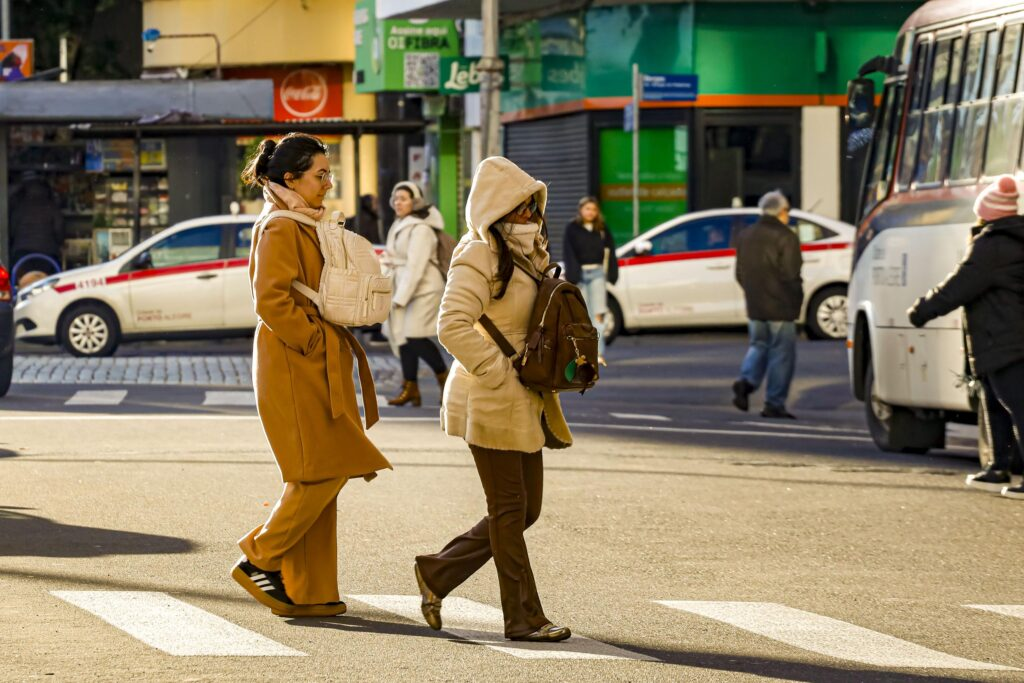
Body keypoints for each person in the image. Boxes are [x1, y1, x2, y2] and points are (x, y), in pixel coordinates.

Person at [413, 156, 574, 643]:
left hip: (523, 395)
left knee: (526, 511)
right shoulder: (478, 254)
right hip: (489, 395)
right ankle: (523, 617)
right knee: (509, 510)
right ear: (500, 209)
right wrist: (497, 371)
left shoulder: (530, 253)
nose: (533, 214)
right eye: (524, 206)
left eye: (535, 205)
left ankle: (438, 572)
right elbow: (451, 325)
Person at [232, 133, 392, 617]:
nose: (329, 182)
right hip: (293, 361)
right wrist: (315, 339)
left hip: (310, 358)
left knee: (315, 473)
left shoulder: (304, 222)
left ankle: (310, 591)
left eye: (328, 173)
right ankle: (259, 555)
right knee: (325, 468)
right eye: (320, 174)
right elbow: (270, 300)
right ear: (290, 179)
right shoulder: (281, 227)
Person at [908, 175, 1024, 500]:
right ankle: (998, 467)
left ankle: (1003, 467)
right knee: (996, 403)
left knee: (1016, 405)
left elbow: (958, 286)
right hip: (998, 338)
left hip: (1004, 338)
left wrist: (921, 310)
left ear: (988, 213)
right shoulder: (1008, 241)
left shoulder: (993, 246)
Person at [732, 190, 803, 419]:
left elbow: (739, 273)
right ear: (782, 211)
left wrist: (752, 292)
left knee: (758, 345)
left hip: (755, 302)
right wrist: (796, 301)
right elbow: (791, 273)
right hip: (781, 304)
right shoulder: (786, 236)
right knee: (781, 354)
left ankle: (746, 381)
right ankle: (774, 403)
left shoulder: (746, 235)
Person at [383, 181, 449, 407]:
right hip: (404, 285)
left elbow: (416, 266)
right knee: (402, 336)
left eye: (404, 198)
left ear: (415, 201)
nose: (398, 202)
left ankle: (446, 380)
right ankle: (410, 387)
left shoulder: (421, 228)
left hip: (424, 289)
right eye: (396, 198)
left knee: (413, 335)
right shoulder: (400, 224)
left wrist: (400, 297)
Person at [563, 196, 618, 366]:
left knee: (598, 315)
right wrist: (572, 275)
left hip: (597, 275)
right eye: (587, 209)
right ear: (581, 210)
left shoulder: (602, 229)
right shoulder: (572, 229)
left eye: (594, 209)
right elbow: (568, 252)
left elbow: (611, 251)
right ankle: (582, 354)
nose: (590, 212)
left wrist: (613, 274)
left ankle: (598, 354)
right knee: (582, 316)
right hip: (580, 275)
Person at [10, 172, 64, 274]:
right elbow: (59, 231)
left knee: (23, 284)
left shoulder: (19, 207)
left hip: (22, 256)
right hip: (47, 256)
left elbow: (12, 231)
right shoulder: (51, 206)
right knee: (48, 285)